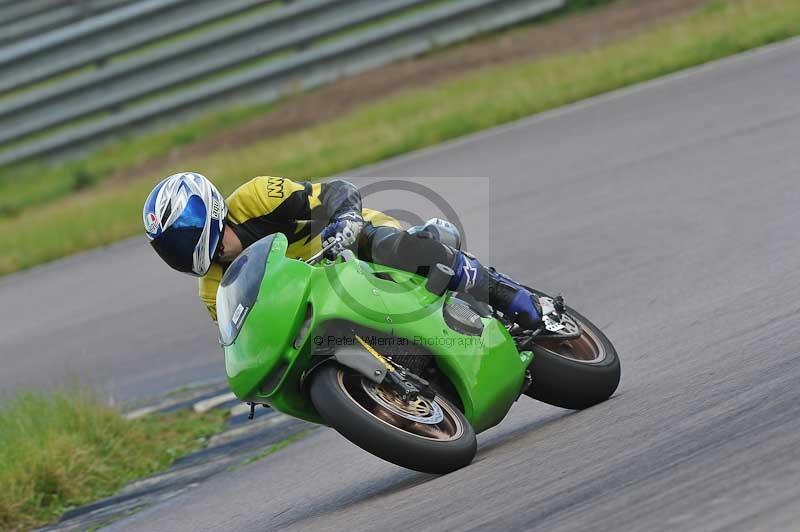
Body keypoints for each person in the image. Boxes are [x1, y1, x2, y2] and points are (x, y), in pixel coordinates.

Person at [143, 172, 542, 329]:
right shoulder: (214, 292)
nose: (220, 259)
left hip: (350, 246)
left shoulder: (258, 197)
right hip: (315, 305)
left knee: (388, 246)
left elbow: (335, 191)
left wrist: (345, 222)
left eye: (218, 247)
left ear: (212, 213)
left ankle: (506, 293)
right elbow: (246, 334)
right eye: (209, 260)